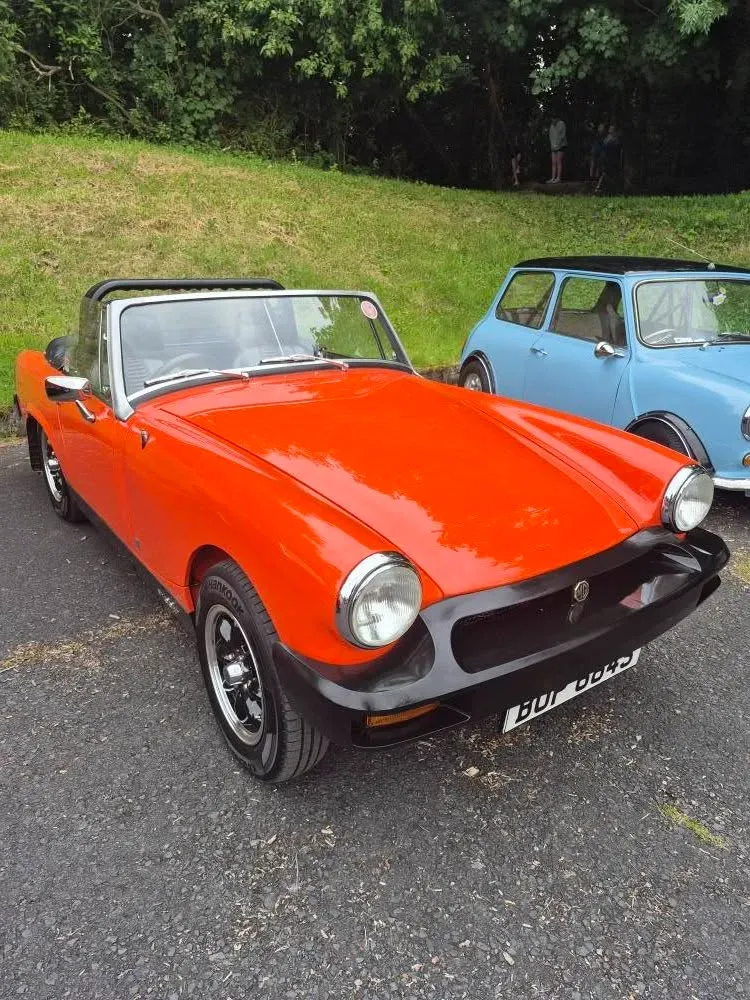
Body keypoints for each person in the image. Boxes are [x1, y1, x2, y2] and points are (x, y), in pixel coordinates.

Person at [595, 125, 623, 193]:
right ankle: (599, 187)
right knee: (606, 174)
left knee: (611, 175)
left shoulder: (613, 139)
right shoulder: (610, 139)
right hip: (608, 160)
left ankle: (604, 188)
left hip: (611, 160)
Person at [547, 115, 567, 183]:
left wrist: (557, 144)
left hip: (561, 146)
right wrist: (553, 145)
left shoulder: (562, 124)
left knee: (558, 162)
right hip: (553, 146)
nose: (552, 121)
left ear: (557, 119)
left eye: (554, 119)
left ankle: (558, 178)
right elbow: (550, 136)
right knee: (553, 162)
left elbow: (562, 136)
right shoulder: (551, 126)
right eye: (552, 119)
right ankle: (553, 178)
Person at [589, 123, 606, 188]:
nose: (601, 129)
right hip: (595, 150)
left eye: (602, 127)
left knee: (599, 163)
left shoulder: (604, 135)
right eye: (600, 127)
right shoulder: (596, 134)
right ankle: (591, 176)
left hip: (600, 151)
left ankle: (596, 176)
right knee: (593, 162)